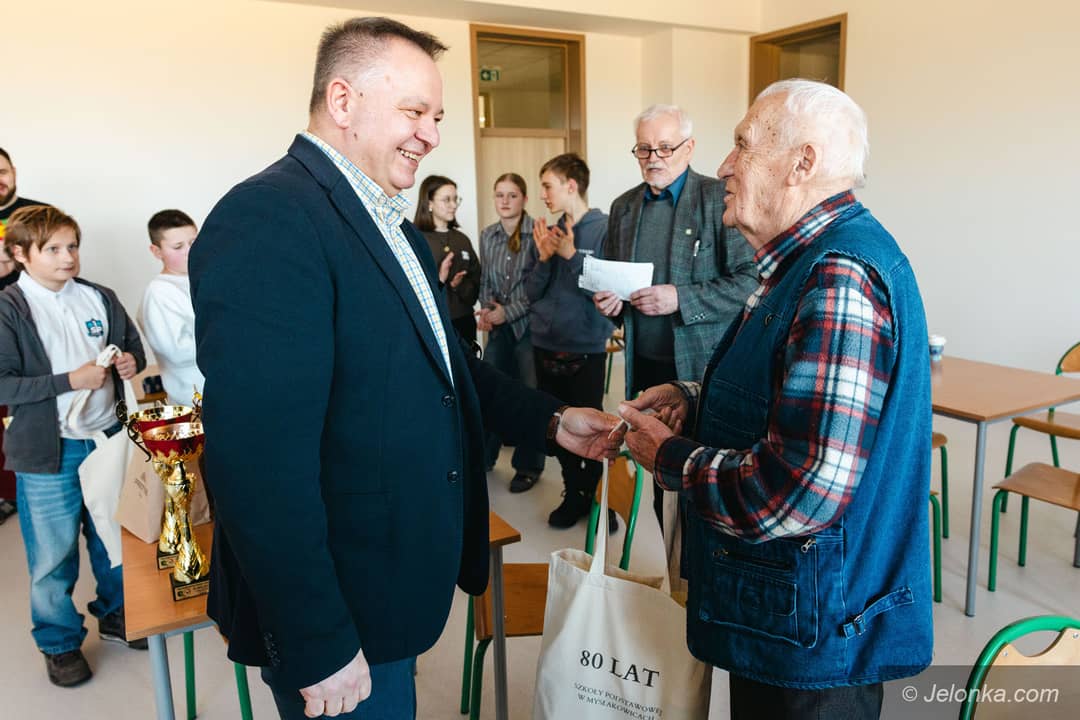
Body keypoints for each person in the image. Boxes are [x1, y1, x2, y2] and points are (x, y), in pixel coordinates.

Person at [188, 18, 619, 720]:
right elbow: (258, 460)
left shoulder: (395, 229)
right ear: (343, 100)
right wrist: (316, 640)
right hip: (338, 613)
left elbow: (449, 370)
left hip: (390, 586)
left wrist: (552, 421)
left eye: (437, 117)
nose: (431, 134)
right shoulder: (269, 216)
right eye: (415, 112)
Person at [617, 79, 933, 719]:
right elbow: (783, 390)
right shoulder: (800, 263)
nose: (724, 166)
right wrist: (694, 398)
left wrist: (671, 457)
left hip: (815, 644)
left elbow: (800, 490)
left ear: (802, 163)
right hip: (796, 618)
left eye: (743, 145)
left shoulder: (837, 276)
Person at [0, 205, 148, 688]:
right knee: (52, 556)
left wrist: (129, 362)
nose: (68, 257)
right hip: (50, 452)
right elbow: (3, 384)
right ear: (20, 253)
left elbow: (133, 348)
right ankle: (59, 642)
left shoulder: (99, 297)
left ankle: (117, 613)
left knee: (113, 539)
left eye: (72, 246)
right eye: (53, 249)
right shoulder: (8, 308)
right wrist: (70, 380)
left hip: (107, 440)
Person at [593, 104, 757, 528]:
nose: (654, 158)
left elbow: (750, 282)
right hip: (645, 369)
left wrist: (680, 298)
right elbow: (618, 287)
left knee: (700, 493)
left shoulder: (718, 198)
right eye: (644, 149)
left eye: (665, 147)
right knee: (660, 483)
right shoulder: (624, 206)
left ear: (689, 147)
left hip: (700, 373)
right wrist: (610, 305)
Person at [526, 153, 614, 528]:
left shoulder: (606, 229)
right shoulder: (549, 231)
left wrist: (572, 256)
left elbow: (607, 291)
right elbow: (531, 292)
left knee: (591, 428)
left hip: (586, 349)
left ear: (571, 185)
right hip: (545, 345)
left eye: (548, 186)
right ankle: (573, 492)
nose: (542, 194)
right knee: (558, 426)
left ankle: (590, 498)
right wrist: (545, 257)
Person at [477, 173, 547, 493]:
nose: (504, 201)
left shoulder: (538, 233)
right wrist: (487, 311)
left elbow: (540, 287)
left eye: (512, 195)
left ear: (524, 199)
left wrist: (509, 312)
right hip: (499, 327)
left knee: (530, 395)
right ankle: (484, 456)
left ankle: (529, 465)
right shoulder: (487, 235)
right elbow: (485, 281)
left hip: (529, 327)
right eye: (499, 194)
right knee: (489, 389)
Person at [0, 147, 49, 522]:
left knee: (30, 409)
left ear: (14, 171)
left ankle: (32, 487)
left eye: (2, 171)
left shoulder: (39, 216)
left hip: (31, 328)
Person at [139, 209, 205, 406]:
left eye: (194, 242)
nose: (189, 251)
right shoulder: (159, 293)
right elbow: (177, 353)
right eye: (178, 247)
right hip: (195, 398)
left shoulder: (204, 279)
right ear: (156, 251)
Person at [414, 175, 481, 344]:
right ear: (429, 203)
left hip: (464, 322)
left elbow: (476, 288)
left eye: (455, 199)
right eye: (447, 200)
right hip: (433, 324)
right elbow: (412, 290)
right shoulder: (416, 239)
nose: (454, 205)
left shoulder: (462, 240)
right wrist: (440, 279)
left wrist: (459, 285)